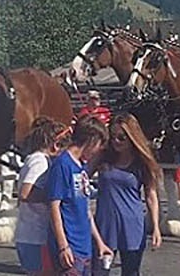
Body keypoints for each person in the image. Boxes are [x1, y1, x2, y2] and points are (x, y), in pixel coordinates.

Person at [93, 113, 162, 276]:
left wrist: (156, 227)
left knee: (131, 271)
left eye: (122, 137)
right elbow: (83, 174)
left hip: (132, 225)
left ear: (132, 137)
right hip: (105, 223)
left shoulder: (142, 163)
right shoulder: (103, 158)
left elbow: (151, 196)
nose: (116, 141)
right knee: (99, 271)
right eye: (113, 136)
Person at [47, 117, 108, 276]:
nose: (97, 152)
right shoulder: (62, 165)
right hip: (70, 246)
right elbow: (54, 207)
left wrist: (99, 242)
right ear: (91, 141)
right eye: (98, 146)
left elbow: (86, 209)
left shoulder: (82, 166)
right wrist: (63, 245)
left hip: (84, 246)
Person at [15, 116, 68, 276]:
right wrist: (54, 196)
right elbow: (25, 193)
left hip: (33, 234)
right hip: (35, 235)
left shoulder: (37, 159)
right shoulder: (40, 162)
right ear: (55, 145)